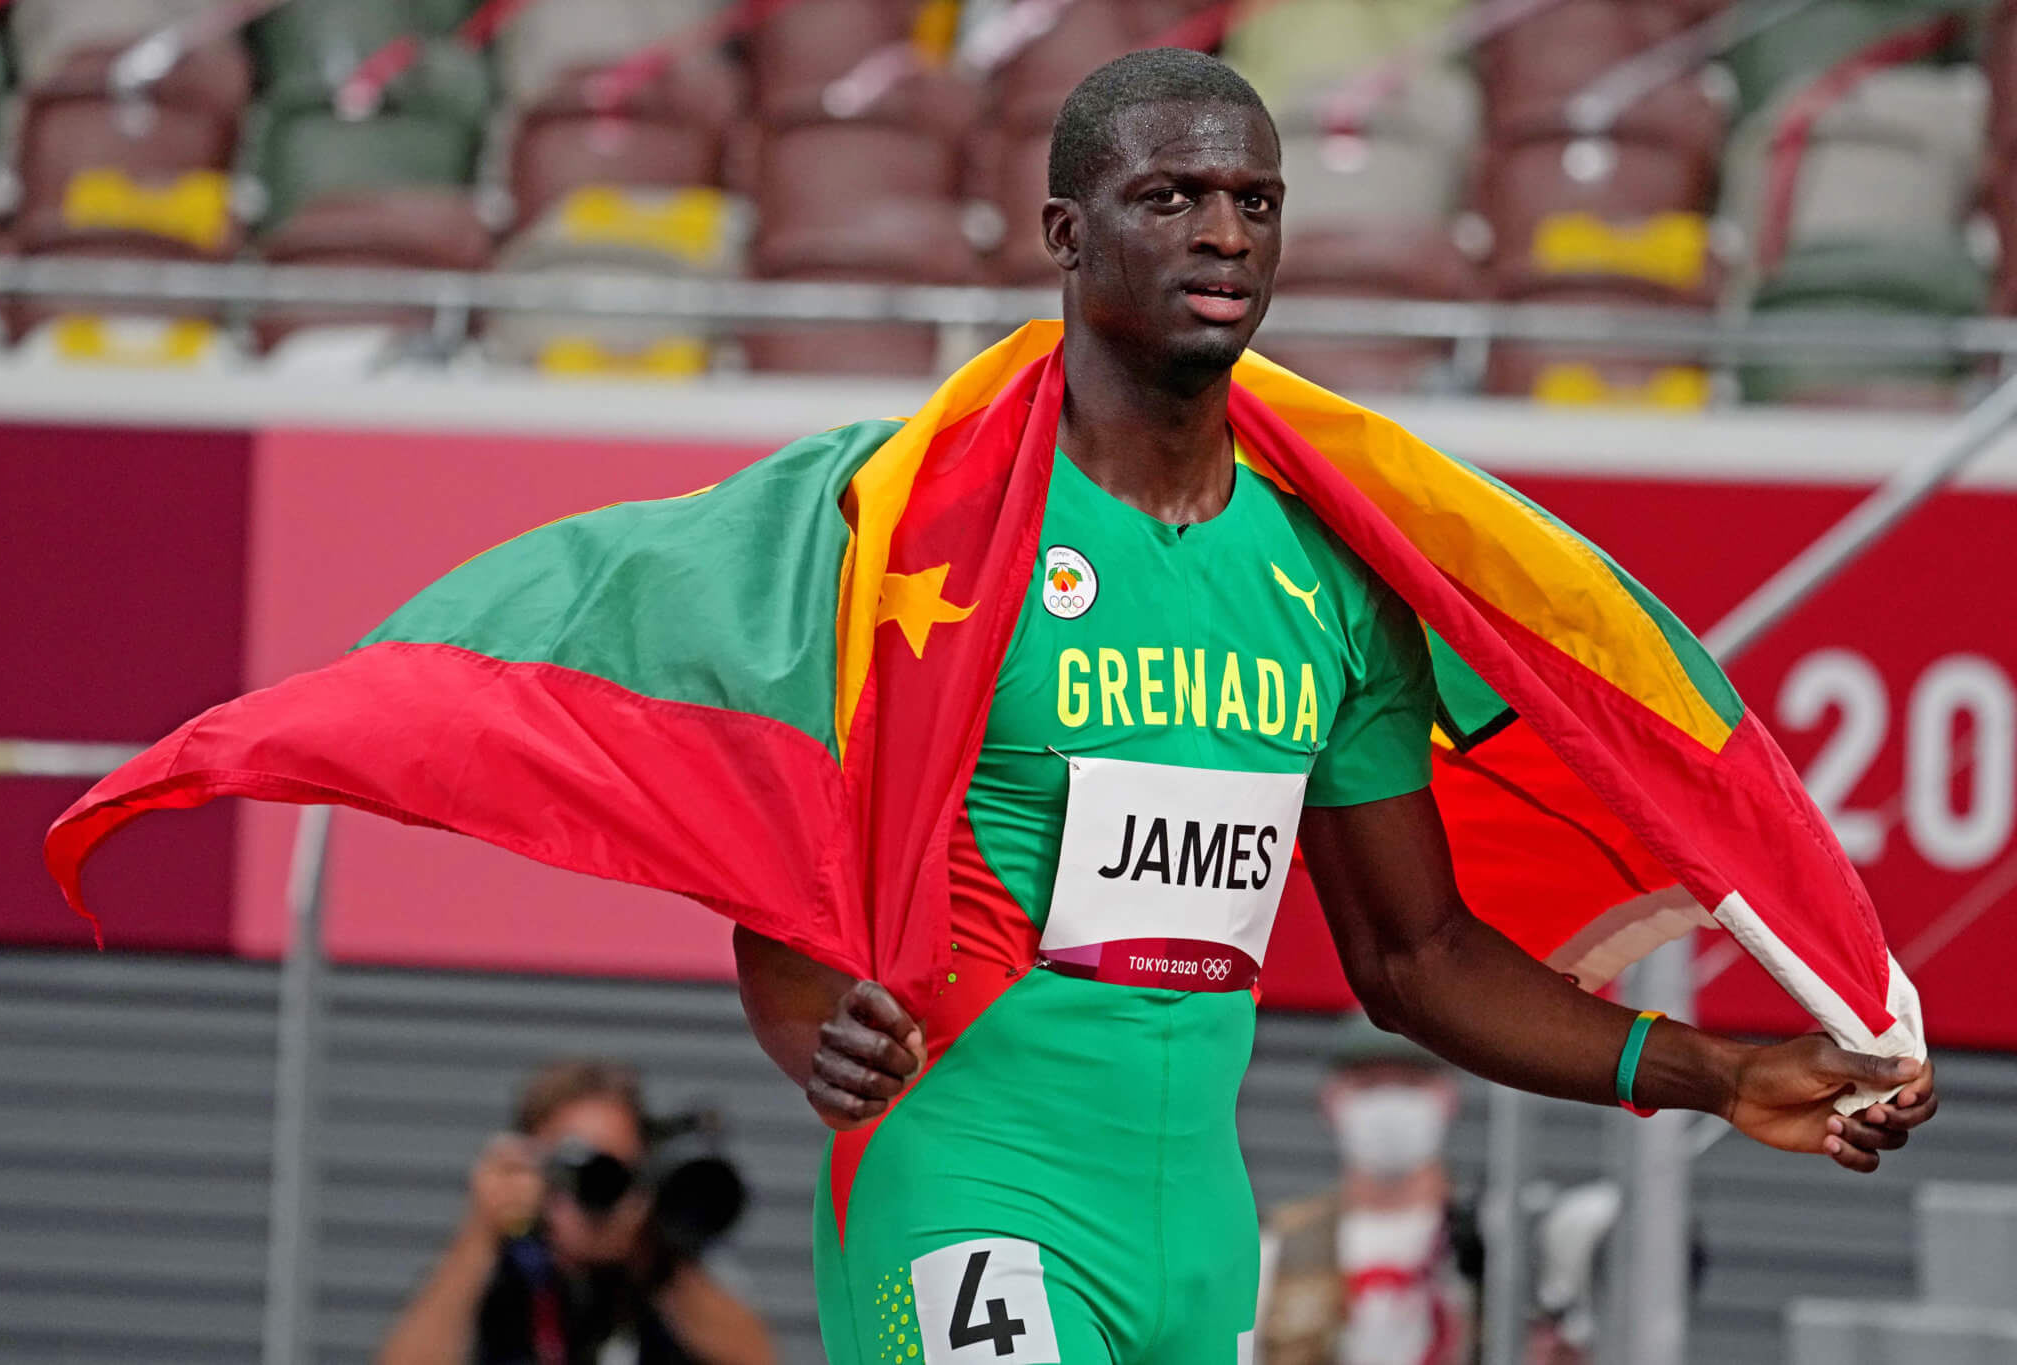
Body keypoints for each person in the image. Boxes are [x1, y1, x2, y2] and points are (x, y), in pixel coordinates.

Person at [728, 47, 1941, 1365]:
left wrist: (1722, 1070)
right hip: (964, 1186)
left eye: (1257, 201)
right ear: (1064, 235)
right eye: (1172, 197)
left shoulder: (1328, 573)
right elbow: (767, 841)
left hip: (1196, 1237)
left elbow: (1415, 957)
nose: (1223, 233)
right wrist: (812, 1038)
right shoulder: (936, 529)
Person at [377, 1058, 776, 1365]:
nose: (598, 1191)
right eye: (579, 1168)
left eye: (616, 1170)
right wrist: (480, 1233)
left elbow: (756, 1357)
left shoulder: (668, 1271)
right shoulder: (501, 1271)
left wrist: (649, 1254)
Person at [1259, 1016, 1476, 1365]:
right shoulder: (1275, 1248)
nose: (1389, 1105)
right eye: (1368, 1084)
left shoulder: (1493, 1242)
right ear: (1329, 1100)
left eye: (1411, 1083)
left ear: (1449, 1096)